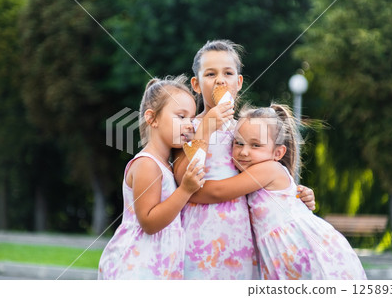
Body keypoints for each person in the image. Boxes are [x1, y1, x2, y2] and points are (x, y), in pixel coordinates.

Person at [173, 40, 315, 279]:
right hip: (199, 238)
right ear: (196, 85)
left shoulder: (244, 132)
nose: (220, 80)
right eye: (210, 74)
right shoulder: (188, 128)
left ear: (238, 83)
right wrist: (205, 129)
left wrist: (296, 194)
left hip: (240, 238)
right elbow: (181, 177)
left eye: (228, 73)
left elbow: (263, 178)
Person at [190, 104, 367, 280]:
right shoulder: (252, 173)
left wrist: (187, 191)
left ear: (278, 153)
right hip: (284, 255)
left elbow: (217, 192)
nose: (244, 152)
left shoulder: (269, 169)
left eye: (255, 145)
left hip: (306, 252)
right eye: (238, 143)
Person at [98, 75, 205, 279]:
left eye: (192, 118)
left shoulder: (166, 166)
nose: (190, 125)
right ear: (152, 118)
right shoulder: (147, 164)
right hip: (137, 266)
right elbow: (149, 222)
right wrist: (185, 190)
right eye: (181, 117)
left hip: (157, 267)